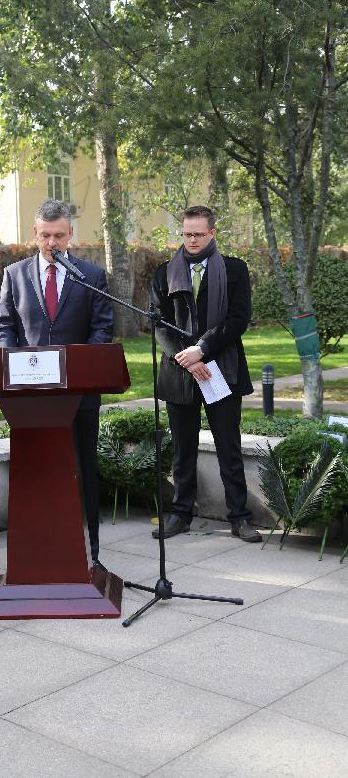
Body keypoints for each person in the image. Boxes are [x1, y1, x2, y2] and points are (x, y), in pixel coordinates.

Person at [0, 198, 114, 567]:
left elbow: (102, 329)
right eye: (45, 236)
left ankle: (90, 551)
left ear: (70, 235)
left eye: (59, 236)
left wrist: (78, 371)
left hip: (78, 398)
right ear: (34, 234)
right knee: (38, 475)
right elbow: (4, 327)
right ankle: (39, 553)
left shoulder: (91, 276)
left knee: (82, 471)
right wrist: (9, 365)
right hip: (30, 401)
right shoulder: (14, 275)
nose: (52, 243)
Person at [151, 205, 261, 542]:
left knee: (228, 447)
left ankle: (240, 518)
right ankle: (181, 514)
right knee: (182, 448)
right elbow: (157, 323)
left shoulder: (234, 270)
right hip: (180, 371)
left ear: (212, 233)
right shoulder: (164, 272)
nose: (193, 240)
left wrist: (203, 350)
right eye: (187, 234)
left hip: (221, 369)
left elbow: (238, 319)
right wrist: (189, 358)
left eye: (199, 234)